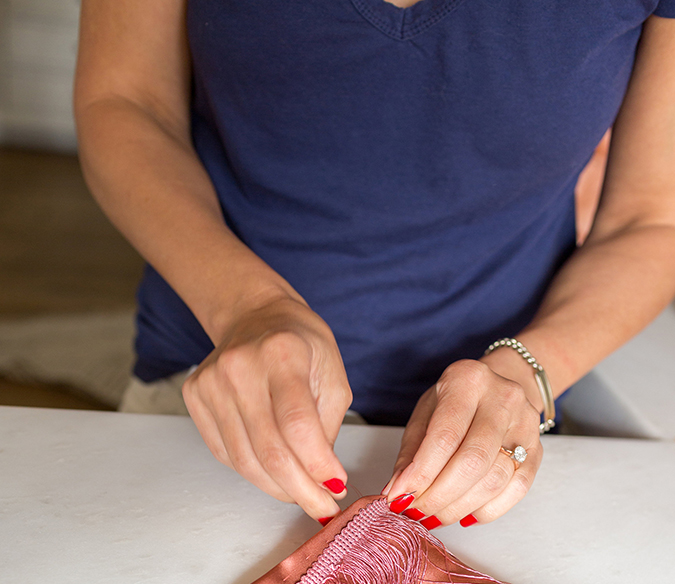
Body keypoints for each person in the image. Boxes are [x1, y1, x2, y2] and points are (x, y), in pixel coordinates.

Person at [74, 0, 675, 528]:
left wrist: (524, 377)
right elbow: (125, 101)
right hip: (218, 392)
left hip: (491, 441)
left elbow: (650, 220)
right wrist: (248, 308)